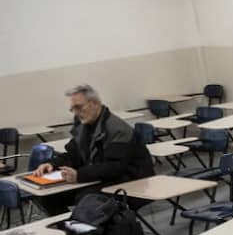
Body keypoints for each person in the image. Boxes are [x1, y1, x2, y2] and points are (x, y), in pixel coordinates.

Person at [32, 84, 153, 215]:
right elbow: (73, 155)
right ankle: (71, 231)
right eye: (72, 109)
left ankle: (90, 231)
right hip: (103, 178)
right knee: (47, 197)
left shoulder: (117, 129)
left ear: (95, 103)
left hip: (133, 180)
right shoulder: (84, 125)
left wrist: (79, 175)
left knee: (86, 198)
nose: (76, 113)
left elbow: (115, 167)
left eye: (79, 107)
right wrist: (52, 164)